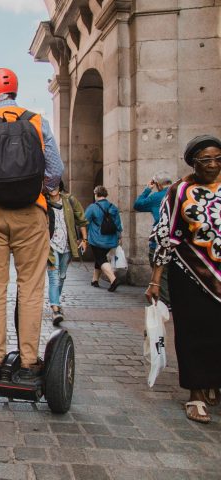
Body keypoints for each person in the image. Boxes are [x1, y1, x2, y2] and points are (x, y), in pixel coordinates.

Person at [0, 67, 64, 380]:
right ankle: (29, 362)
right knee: (31, 288)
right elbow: (56, 169)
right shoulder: (37, 121)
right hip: (31, 213)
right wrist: (42, 190)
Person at [146, 135, 221, 424]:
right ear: (193, 162)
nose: (213, 164)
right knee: (192, 332)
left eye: (217, 158)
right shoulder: (180, 191)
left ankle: (213, 381)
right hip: (190, 273)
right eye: (206, 160)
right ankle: (196, 393)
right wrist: (155, 279)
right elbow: (167, 236)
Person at [46, 182, 88, 325]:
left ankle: (56, 301)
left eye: (55, 186)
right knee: (54, 277)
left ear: (60, 186)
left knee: (62, 276)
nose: (53, 189)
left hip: (67, 246)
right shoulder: (43, 201)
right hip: (50, 247)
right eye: (50, 186)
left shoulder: (69, 200)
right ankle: (55, 309)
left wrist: (84, 239)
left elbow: (81, 220)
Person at [134, 171, 172, 306]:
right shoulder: (178, 193)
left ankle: (164, 304)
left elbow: (137, 205)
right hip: (177, 243)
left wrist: (147, 189)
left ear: (158, 184)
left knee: (161, 276)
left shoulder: (156, 196)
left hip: (159, 243)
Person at [84, 186, 123, 292]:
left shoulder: (92, 207)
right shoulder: (113, 207)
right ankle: (94, 280)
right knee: (100, 257)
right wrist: (119, 237)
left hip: (96, 239)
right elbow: (118, 225)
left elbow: (84, 222)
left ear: (96, 194)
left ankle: (113, 280)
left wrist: (83, 237)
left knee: (101, 259)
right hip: (111, 239)